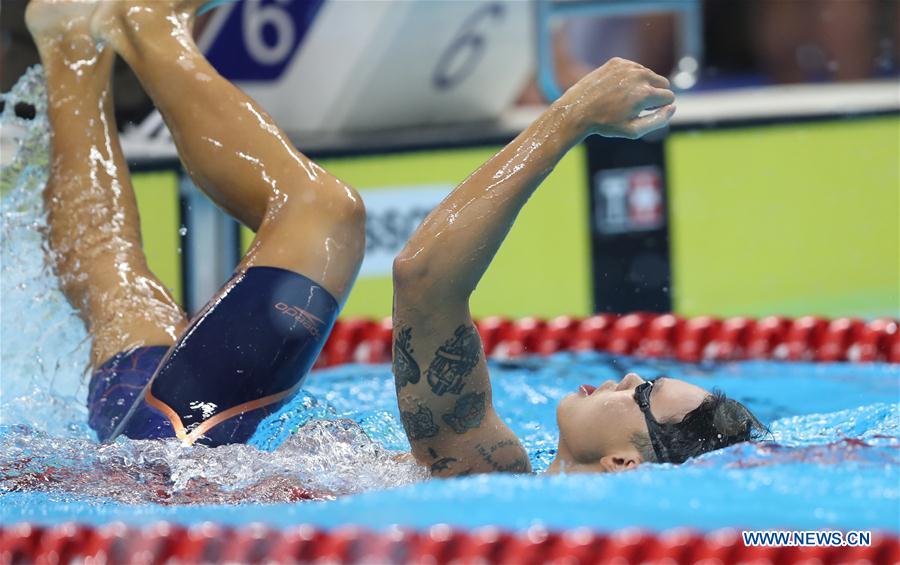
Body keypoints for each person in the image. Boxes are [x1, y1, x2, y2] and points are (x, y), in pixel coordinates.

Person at [391, 59, 766, 475]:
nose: (630, 377)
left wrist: (571, 117)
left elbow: (423, 281)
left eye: (644, 396)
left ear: (624, 462)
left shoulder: (489, 470)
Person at [26, 0, 365, 446]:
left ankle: (149, 26)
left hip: (183, 444)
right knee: (115, 280)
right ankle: (69, 42)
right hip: (137, 429)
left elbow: (424, 278)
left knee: (324, 213)